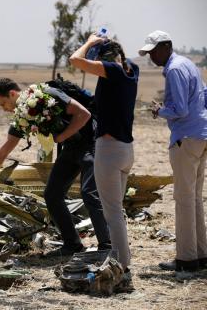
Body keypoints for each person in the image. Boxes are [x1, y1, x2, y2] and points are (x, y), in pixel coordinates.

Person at [0, 77, 111, 258]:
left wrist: (61, 137)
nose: (4, 109)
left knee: (89, 193)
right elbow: (2, 153)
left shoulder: (46, 94)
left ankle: (107, 245)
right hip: (71, 148)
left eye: (3, 104)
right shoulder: (22, 117)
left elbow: (84, 115)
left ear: (12, 94)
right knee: (52, 194)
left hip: (91, 143)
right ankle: (72, 244)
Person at [69, 34, 139, 281]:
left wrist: (88, 42)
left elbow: (74, 60)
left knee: (112, 212)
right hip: (126, 149)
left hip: (109, 150)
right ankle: (122, 259)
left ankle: (121, 264)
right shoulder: (132, 71)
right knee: (116, 211)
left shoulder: (114, 71)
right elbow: (120, 60)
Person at [138, 30, 207, 275]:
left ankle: (186, 261)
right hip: (200, 135)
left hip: (185, 138)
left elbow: (179, 109)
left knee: (184, 199)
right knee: (195, 197)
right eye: (148, 53)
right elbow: (204, 95)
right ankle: (200, 255)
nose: (151, 57)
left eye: (154, 51)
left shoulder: (175, 69)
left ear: (167, 46)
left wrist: (160, 111)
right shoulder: (188, 63)